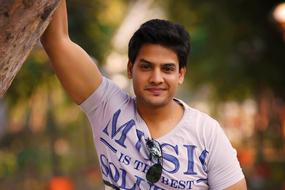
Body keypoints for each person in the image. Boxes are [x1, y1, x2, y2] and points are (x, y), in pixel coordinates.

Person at [41, 0, 247, 189]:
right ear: (131, 69)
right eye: (146, 67)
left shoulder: (206, 133)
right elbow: (57, 41)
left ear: (180, 74)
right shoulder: (106, 107)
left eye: (167, 69)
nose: (156, 78)